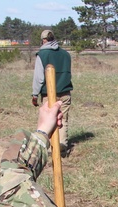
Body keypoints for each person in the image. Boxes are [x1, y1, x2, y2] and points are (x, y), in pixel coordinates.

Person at [31, 28, 73, 157]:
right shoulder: (66, 54)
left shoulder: (42, 55)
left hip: (49, 94)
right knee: (63, 120)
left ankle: (50, 149)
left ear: (44, 40)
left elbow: (39, 78)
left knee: (48, 120)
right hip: (65, 93)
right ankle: (61, 147)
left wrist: (34, 94)